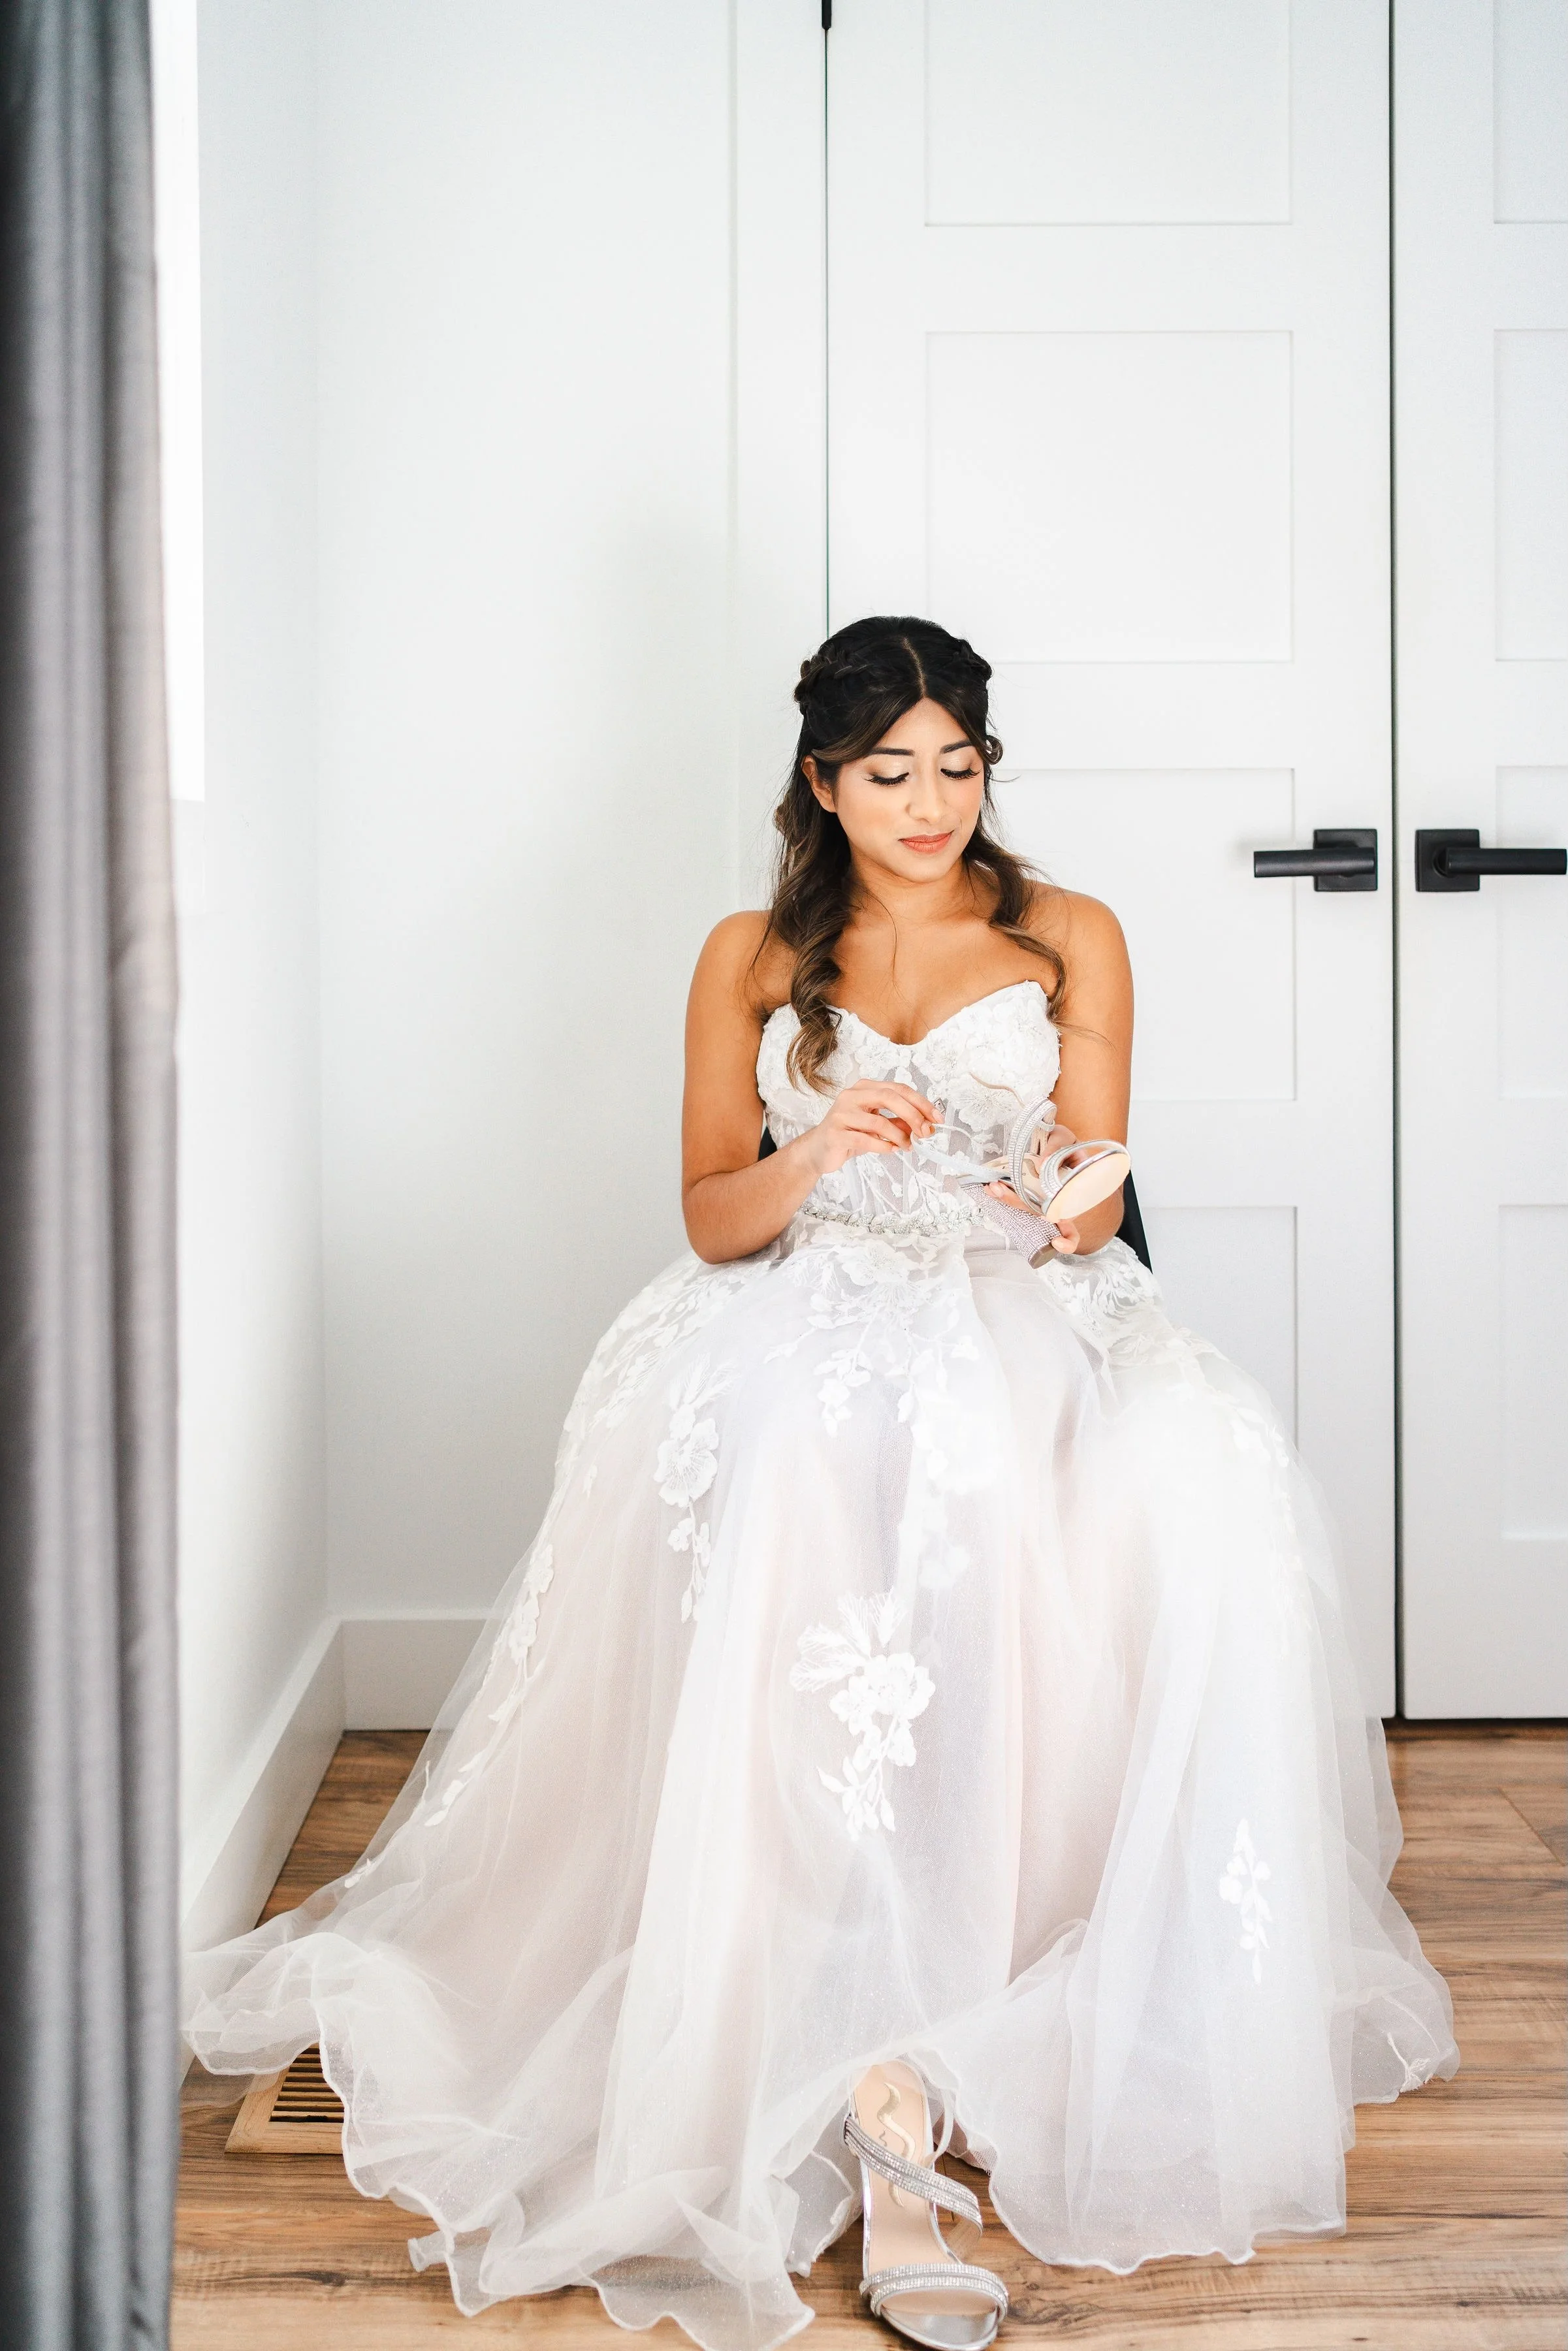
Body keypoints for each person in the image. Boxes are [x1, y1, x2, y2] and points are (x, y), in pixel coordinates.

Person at [184, 616, 1457, 2351]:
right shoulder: (752, 956)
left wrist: (1050, 1192)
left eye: (958, 767)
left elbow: (1094, 1197)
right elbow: (714, 1216)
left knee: (1169, 1468)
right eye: (888, 773)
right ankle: (813, 1961)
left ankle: (1009, 1954)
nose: (929, 805)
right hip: (815, 1294)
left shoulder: (1068, 933)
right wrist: (820, 1153)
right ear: (822, 782)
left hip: (1014, 1294)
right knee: (792, 1456)